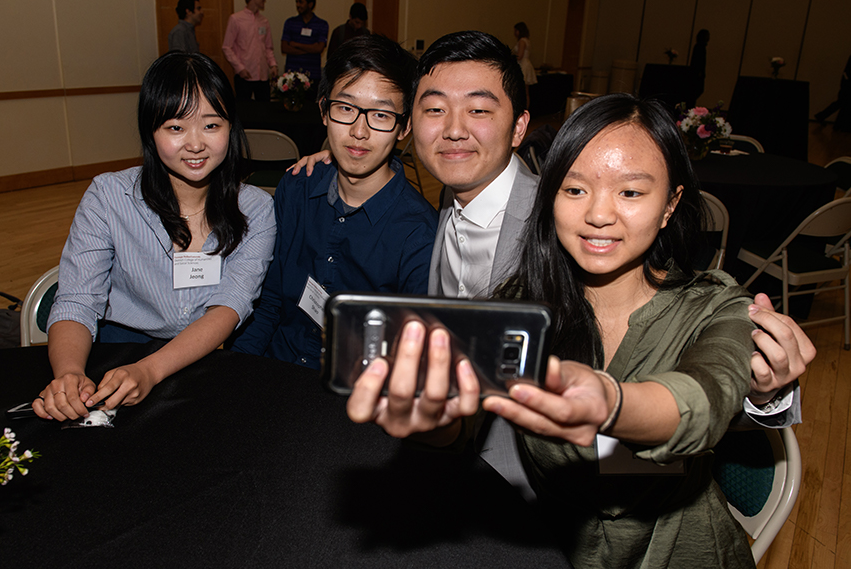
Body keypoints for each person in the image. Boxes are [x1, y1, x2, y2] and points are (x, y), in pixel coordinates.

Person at [289, 31, 810, 430]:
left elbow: (672, 357)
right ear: (410, 127)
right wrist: (338, 158)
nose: (452, 129)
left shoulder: (570, 223)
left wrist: (761, 395)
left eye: (477, 110)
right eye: (434, 110)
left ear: (519, 126)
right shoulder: (442, 204)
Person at [346, 93, 782, 567]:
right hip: (553, 549)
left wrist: (608, 402)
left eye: (631, 192)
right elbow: (462, 422)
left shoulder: (717, 306)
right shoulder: (519, 308)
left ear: (670, 204)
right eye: (575, 190)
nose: (599, 214)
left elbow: (703, 401)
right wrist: (431, 420)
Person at [33, 52, 277, 421]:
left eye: (212, 125)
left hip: (204, 357)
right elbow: (77, 299)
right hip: (117, 352)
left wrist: (150, 370)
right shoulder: (109, 196)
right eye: (176, 128)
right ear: (151, 131)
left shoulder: (256, 208)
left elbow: (229, 307)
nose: (195, 144)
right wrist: (69, 373)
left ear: (232, 127)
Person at [229, 34, 437, 367]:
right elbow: (269, 301)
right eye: (345, 108)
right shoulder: (297, 189)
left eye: (381, 116)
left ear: (404, 127)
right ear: (324, 111)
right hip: (275, 367)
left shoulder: (420, 235)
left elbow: (409, 360)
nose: (359, 131)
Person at [223, 0, 278, 104]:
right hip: (245, 75)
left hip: (262, 75)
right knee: (244, 111)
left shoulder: (264, 21)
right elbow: (227, 47)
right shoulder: (236, 19)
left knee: (264, 111)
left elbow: (268, 47)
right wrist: (240, 68)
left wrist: (273, 64)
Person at [281, 0, 329, 96]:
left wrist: (296, 44)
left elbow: (319, 49)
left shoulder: (322, 24)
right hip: (292, 76)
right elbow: (284, 48)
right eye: (296, 2)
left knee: (311, 109)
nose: (298, 5)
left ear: (310, 4)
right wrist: (310, 49)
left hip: (313, 75)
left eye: (301, 2)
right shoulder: (290, 22)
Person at [814, 53, 851, 131]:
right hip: (848, 83)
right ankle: (837, 124)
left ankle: (823, 116)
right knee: (842, 103)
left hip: (847, 82)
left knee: (841, 103)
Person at [513, 22, 537, 110]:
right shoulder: (527, 40)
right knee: (526, 91)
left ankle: (523, 109)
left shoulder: (522, 41)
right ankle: (525, 109)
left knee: (522, 91)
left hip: (523, 65)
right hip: (526, 63)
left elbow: (520, 55)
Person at [688, 28, 709, 107]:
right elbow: (698, 61)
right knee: (695, 91)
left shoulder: (700, 46)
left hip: (697, 73)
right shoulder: (699, 47)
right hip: (697, 74)